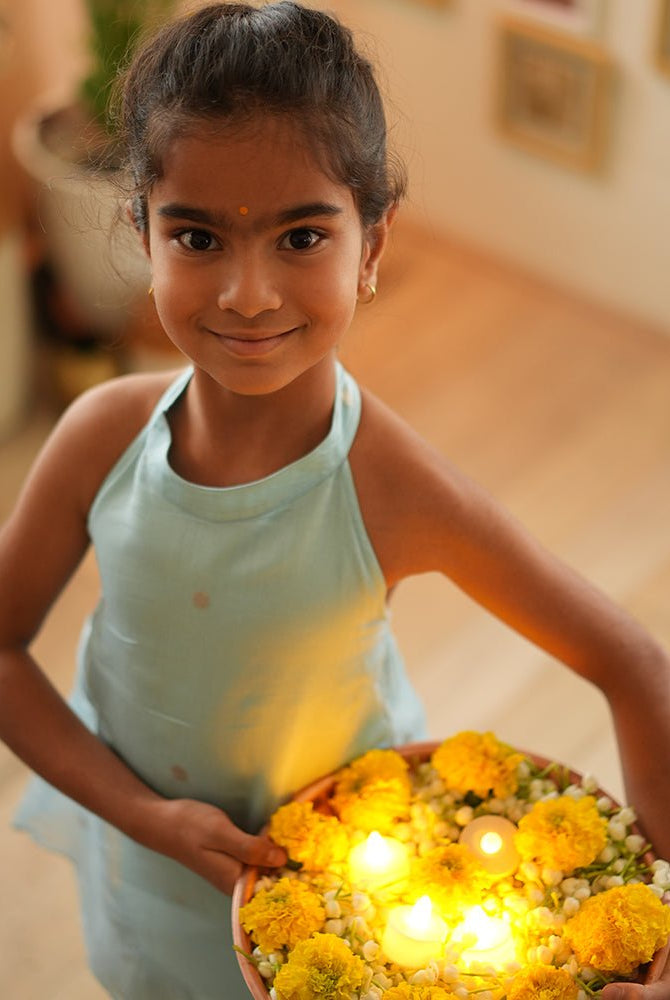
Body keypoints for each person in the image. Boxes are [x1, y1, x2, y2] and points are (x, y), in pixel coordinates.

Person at [0, 2, 668, 997]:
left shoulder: (388, 481)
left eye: (301, 235)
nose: (249, 293)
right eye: (197, 236)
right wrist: (145, 818)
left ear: (373, 240)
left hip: (349, 910)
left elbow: (631, 661)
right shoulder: (103, 438)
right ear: (142, 228)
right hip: (147, 870)